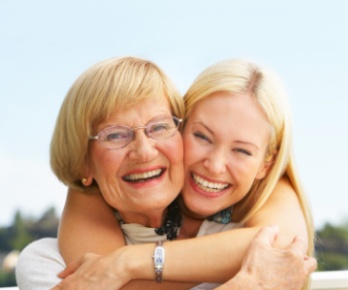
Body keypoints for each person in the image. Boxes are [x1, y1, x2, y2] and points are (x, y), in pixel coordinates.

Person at [16, 57, 315, 289]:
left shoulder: (249, 233)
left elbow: (284, 242)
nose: (214, 164)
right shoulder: (49, 263)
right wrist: (246, 284)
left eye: (158, 127)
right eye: (115, 135)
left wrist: (127, 263)